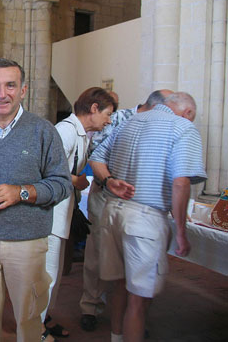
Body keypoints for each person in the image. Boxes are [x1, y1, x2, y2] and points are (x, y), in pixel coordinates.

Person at [0, 58, 72, 342]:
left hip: (27, 243)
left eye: (10, 85)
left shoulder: (43, 131)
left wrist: (20, 192)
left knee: (29, 321)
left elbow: (62, 184)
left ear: (23, 90)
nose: (2, 93)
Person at [90, 92, 206, 342]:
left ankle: (116, 337)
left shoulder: (130, 121)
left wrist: (109, 182)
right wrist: (182, 232)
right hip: (144, 218)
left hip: (113, 212)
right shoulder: (182, 127)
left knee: (120, 285)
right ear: (187, 112)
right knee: (139, 299)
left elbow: (97, 157)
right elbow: (181, 182)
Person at [79, 89, 173, 332]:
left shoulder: (162, 127)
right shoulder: (120, 119)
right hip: (106, 194)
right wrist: (111, 180)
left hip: (139, 204)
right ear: (158, 107)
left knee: (133, 261)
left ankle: (129, 317)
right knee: (97, 253)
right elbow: (95, 155)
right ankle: (91, 306)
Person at [42, 87, 116, 341]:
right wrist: (77, 180)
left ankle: (44, 318)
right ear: (94, 108)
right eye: (107, 113)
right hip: (50, 215)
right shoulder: (66, 130)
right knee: (46, 276)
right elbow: (46, 169)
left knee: (54, 276)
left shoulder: (81, 133)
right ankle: (35, 328)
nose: (109, 120)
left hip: (62, 214)